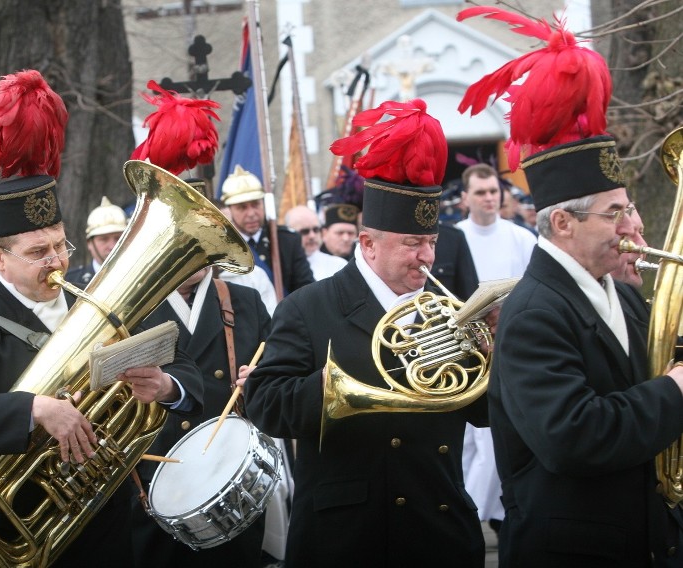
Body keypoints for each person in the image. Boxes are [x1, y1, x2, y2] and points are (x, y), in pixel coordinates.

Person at [0, 70, 204, 568]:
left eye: (60, 245)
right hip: (26, 531)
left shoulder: (94, 301)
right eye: (37, 252)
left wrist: (165, 386)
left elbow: (188, 375)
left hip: (109, 528)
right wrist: (35, 410)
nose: (56, 261)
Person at [457, 7, 683, 566]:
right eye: (614, 214)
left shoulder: (623, 293)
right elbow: (575, 436)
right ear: (563, 223)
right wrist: (676, 391)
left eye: (629, 210)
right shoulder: (534, 311)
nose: (633, 227)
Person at [245, 99, 488, 567]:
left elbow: (485, 413)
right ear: (369, 244)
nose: (427, 258)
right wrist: (342, 385)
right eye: (413, 243)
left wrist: (492, 351)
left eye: (432, 243)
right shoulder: (308, 306)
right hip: (347, 535)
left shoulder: (449, 310)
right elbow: (265, 403)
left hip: (440, 526)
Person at [130, 266, 272, 567]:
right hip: (153, 484)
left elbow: (278, 385)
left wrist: (263, 382)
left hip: (231, 486)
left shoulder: (245, 300)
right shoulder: (130, 306)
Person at [455, 162, 536, 533]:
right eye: (481, 192)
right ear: (464, 198)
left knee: (493, 438)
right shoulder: (454, 238)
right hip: (461, 349)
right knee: (467, 441)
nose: (490, 198)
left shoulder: (521, 238)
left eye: (494, 191)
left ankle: (486, 514)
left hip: (507, 346)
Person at [219, 165, 314, 298]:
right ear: (229, 210)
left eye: (256, 204)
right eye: (242, 208)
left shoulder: (286, 240)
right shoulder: (222, 247)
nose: (251, 213)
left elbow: (306, 289)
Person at [64, 196, 128, 288]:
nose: (112, 246)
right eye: (104, 239)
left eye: (118, 238)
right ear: (89, 243)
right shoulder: (70, 280)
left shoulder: (141, 274)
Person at [284, 205, 346, 280]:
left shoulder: (338, 265)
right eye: (305, 231)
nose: (312, 236)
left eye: (316, 230)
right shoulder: (281, 266)